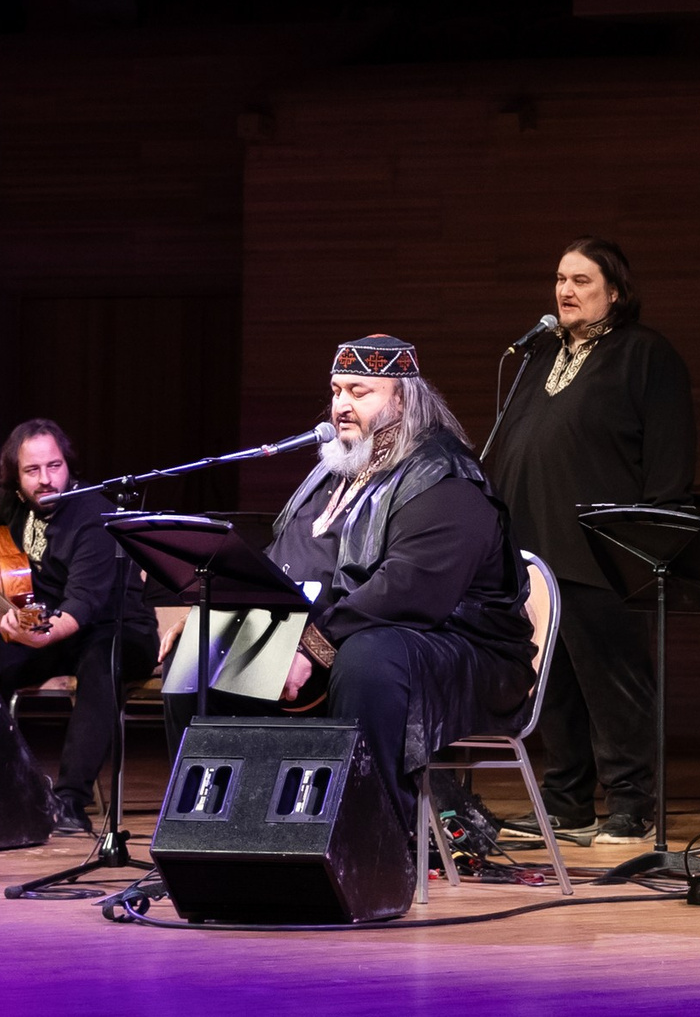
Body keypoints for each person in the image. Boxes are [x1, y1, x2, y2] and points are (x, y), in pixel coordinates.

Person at [161, 335, 536, 845]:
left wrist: (309, 647)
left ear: (402, 399)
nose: (341, 406)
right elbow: (281, 568)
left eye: (359, 392)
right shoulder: (336, 473)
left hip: (461, 652)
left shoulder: (445, 478)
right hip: (343, 634)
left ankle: (369, 845)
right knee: (206, 651)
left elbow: (406, 593)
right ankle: (213, 835)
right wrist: (223, 610)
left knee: (369, 656)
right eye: (337, 391)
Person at [487, 238, 696, 845]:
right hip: (531, 547)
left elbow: (669, 455)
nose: (566, 290)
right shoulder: (538, 354)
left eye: (581, 280)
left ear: (616, 291)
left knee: (614, 681)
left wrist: (652, 538)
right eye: (559, 278)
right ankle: (566, 800)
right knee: (551, 680)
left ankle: (631, 802)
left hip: (604, 550)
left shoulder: (645, 355)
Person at [0, 418, 157, 837]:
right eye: (32, 471)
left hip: (118, 629)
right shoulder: (11, 501)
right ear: (15, 476)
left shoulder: (93, 513)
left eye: (55, 466)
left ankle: (70, 801)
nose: (46, 480)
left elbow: (82, 605)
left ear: (68, 465)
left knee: (102, 661)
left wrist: (32, 634)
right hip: (53, 628)